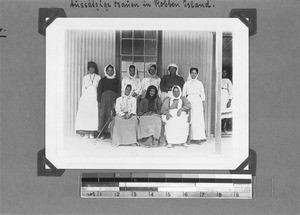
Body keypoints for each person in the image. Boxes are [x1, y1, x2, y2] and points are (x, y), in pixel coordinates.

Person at [75, 61, 101, 139]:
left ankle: (92, 133)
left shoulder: (98, 77)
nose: (91, 69)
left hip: (94, 97)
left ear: (95, 69)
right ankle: (86, 132)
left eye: (93, 68)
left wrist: (98, 99)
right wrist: (83, 99)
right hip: (86, 97)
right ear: (88, 69)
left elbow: (99, 89)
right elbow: (83, 88)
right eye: (90, 68)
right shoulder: (85, 77)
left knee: (93, 115)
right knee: (86, 115)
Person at [182, 67, 206, 143]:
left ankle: (198, 137)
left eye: (195, 73)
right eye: (192, 73)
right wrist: (185, 104)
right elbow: (183, 95)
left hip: (197, 102)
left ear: (197, 74)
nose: (193, 75)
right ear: (190, 73)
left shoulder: (200, 83)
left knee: (197, 119)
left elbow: (203, 96)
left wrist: (203, 105)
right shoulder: (186, 83)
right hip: (189, 101)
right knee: (190, 118)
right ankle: (189, 137)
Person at [97, 64, 121, 139]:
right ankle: (102, 133)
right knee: (103, 114)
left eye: (111, 70)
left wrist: (117, 102)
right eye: (108, 70)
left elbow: (118, 91)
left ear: (114, 71)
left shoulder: (117, 81)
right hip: (104, 99)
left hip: (113, 99)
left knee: (112, 114)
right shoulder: (102, 80)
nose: (110, 72)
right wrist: (99, 101)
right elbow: (99, 91)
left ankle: (112, 133)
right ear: (106, 71)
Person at [221, 68, 233, 133]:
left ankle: (224, 128)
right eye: (222, 72)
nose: (223, 73)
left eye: (225, 72)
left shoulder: (228, 81)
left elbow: (231, 91)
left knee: (225, 114)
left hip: (225, 97)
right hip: (219, 98)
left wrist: (230, 100)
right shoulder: (218, 79)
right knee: (219, 113)